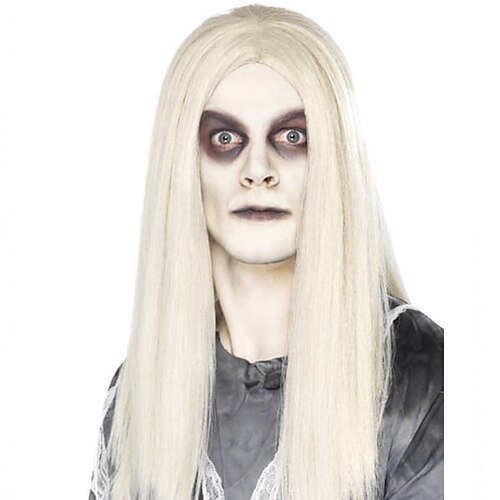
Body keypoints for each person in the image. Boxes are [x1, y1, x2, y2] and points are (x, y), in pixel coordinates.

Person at [88, 5, 443, 500]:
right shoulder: (141, 393)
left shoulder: (421, 379)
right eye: (225, 138)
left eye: (292, 137)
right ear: (183, 164)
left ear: (334, 158)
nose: (258, 170)